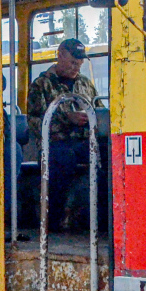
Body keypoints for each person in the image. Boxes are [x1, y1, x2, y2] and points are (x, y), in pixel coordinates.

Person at [27, 38, 98, 230]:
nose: (77, 67)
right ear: (60, 55)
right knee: (62, 158)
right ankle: (53, 222)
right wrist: (67, 118)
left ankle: (102, 218)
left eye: (80, 64)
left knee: (108, 154)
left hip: (84, 142)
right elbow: (35, 121)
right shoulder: (41, 85)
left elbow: (99, 110)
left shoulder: (85, 84)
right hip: (55, 144)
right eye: (73, 63)